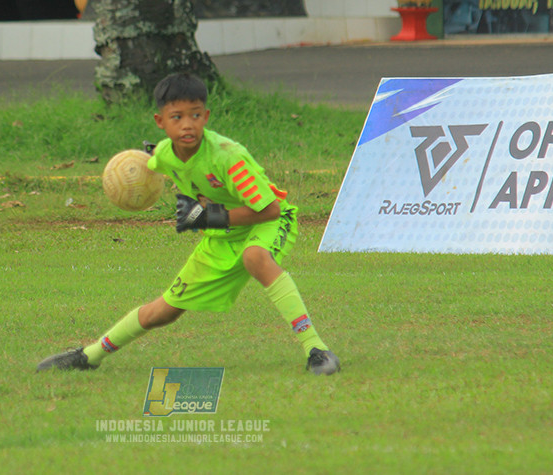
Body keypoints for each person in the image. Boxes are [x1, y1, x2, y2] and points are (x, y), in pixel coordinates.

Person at [36, 73, 340, 375]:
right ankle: (88, 356)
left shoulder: (227, 158)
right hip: (221, 236)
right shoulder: (165, 155)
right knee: (163, 311)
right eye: (176, 117)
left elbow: (270, 210)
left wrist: (211, 217)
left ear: (206, 116)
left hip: (267, 221)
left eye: (195, 115)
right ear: (160, 121)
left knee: (255, 257)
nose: (187, 124)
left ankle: (316, 349)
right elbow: (152, 159)